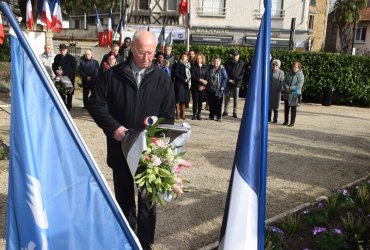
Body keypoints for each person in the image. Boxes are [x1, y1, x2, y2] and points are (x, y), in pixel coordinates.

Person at [87, 31, 175, 249]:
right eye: (142, 52)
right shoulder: (112, 75)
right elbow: (95, 104)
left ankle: (144, 243)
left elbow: (168, 115)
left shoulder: (162, 78)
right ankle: (126, 240)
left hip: (149, 153)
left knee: (148, 200)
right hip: (120, 148)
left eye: (152, 53)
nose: (147, 58)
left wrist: (158, 144)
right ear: (132, 49)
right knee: (124, 198)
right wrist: (114, 128)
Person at [52, 43, 76, 110]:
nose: (62, 51)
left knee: (69, 92)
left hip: (68, 77)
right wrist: (56, 71)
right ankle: (63, 105)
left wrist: (64, 72)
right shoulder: (57, 57)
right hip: (59, 77)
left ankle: (68, 106)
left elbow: (73, 68)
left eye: (63, 50)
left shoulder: (71, 58)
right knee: (59, 91)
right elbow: (54, 65)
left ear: (66, 50)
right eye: (61, 50)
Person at [223, 50, 246, 118]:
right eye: (233, 55)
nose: (235, 56)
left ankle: (235, 112)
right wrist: (229, 80)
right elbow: (225, 72)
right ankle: (225, 111)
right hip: (229, 82)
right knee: (227, 98)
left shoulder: (242, 63)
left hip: (237, 83)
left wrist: (235, 80)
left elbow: (242, 74)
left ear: (238, 55)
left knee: (236, 99)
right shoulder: (227, 62)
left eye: (236, 55)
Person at [206, 55, 228, 122]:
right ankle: (211, 115)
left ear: (220, 62)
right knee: (211, 103)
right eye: (214, 61)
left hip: (218, 90)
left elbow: (225, 78)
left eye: (217, 61)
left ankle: (219, 116)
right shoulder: (210, 68)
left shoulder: (222, 69)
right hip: (210, 89)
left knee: (218, 103)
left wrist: (223, 86)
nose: (216, 63)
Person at [282, 61, 304, 127]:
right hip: (287, 92)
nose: (294, 68)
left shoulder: (300, 75)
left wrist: (290, 88)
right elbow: (284, 81)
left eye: (296, 67)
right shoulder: (288, 73)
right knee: (286, 108)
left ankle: (292, 122)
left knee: (293, 109)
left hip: (294, 93)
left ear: (299, 68)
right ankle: (286, 121)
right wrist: (287, 88)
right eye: (294, 67)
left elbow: (299, 85)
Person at [173, 51, 191, 120]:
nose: (184, 57)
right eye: (183, 56)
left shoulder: (189, 65)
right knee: (178, 99)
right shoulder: (178, 64)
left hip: (186, 84)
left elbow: (190, 74)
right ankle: (177, 113)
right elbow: (176, 74)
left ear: (187, 57)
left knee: (184, 99)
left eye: (185, 56)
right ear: (181, 57)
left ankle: (183, 114)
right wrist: (184, 80)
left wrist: (188, 80)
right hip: (179, 83)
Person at [190, 52, 208, 120]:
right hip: (195, 86)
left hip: (202, 87)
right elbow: (193, 76)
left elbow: (207, 76)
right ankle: (194, 114)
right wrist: (200, 80)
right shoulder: (193, 66)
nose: (199, 60)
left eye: (200, 58)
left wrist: (203, 85)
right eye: (197, 58)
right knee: (195, 100)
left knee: (200, 101)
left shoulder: (205, 66)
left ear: (202, 59)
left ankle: (199, 114)